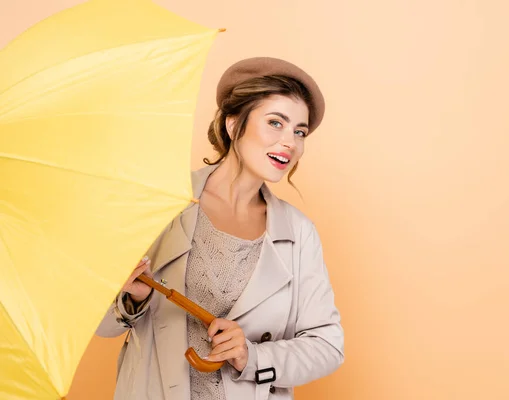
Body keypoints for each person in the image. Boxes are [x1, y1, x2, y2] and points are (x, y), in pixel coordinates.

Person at [96, 57, 344, 400]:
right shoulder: (164, 202)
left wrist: (252, 356)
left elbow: (327, 346)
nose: (290, 142)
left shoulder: (299, 233)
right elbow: (101, 326)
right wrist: (132, 298)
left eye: (299, 132)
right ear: (233, 124)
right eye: (276, 122)